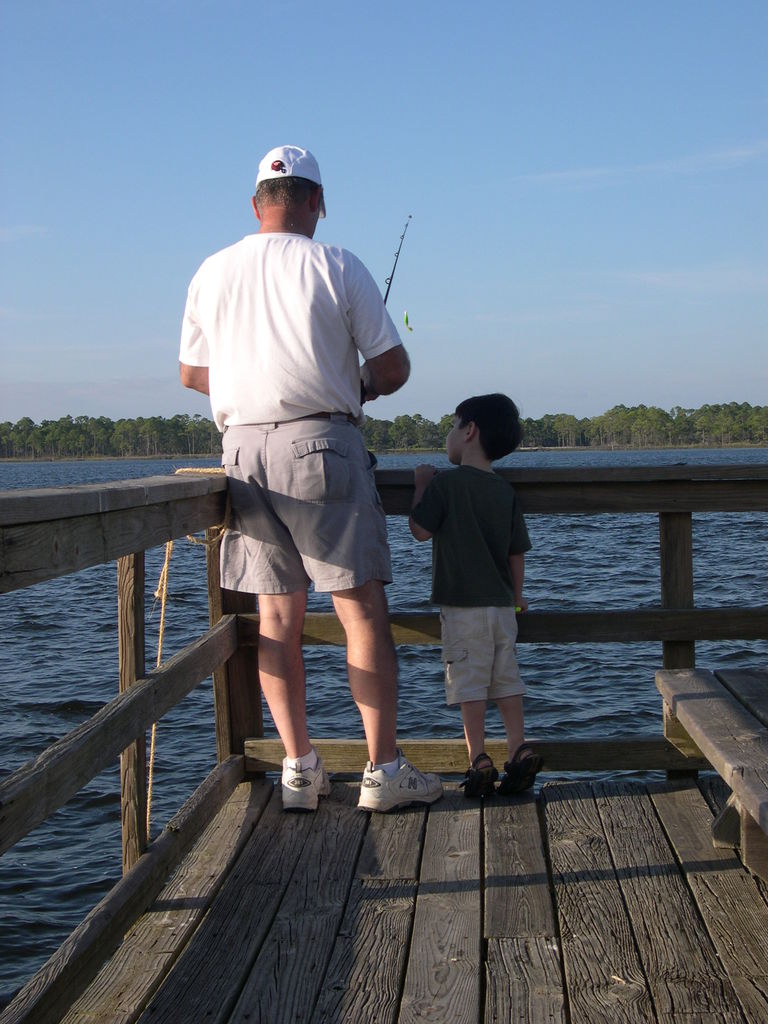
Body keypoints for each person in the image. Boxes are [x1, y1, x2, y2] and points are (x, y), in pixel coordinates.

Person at [179, 144, 442, 814]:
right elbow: (392, 368)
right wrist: (346, 380)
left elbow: (191, 374)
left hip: (241, 454)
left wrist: (249, 381)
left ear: (255, 205)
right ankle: (382, 771)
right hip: (323, 444)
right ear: (317, 202)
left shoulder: (211, 271)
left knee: (275, 618)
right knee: (360, 613)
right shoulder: (336, 264)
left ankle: (298, 769)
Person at [409, 393, 541, 798]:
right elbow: (516, 552)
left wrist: (420, 485)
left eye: (452, 425)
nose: (448, 434)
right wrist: (516, 598)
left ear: (470, 431)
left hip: (462, 608)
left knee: (468, 683)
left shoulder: (446, 484)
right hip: (502, 607)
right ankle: (518, 748)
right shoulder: (504, 491)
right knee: (506, 680)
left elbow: (420, 530)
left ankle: (479, 758)